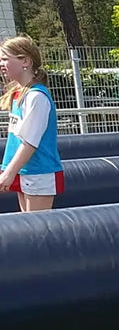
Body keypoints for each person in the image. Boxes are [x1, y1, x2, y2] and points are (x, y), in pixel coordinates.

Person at [0, 36, 63, 212]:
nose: (1, 64)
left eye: (5, 59)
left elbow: (30, 142)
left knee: (39, 231)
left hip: (38, 171)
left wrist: (9, 173)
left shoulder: (36, 97)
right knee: (28, 226)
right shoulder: (19, 95)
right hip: (24, 170)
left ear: (25, 61)